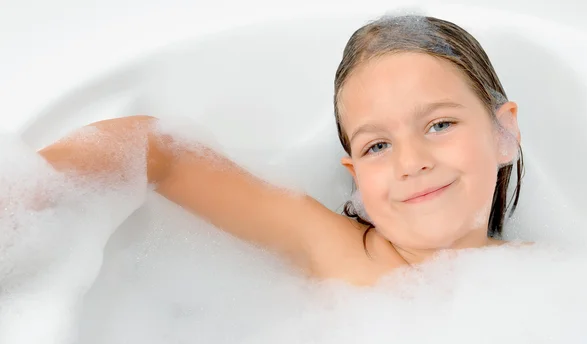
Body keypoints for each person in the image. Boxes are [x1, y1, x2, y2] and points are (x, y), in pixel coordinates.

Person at [38, 14, 523, 287]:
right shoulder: (338, 253)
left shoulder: (557, 281)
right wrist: (27, 190)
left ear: (504, 134)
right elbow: (159, 151)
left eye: (439, 124)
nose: (411, 161)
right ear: (355, 175)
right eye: (378, 145)